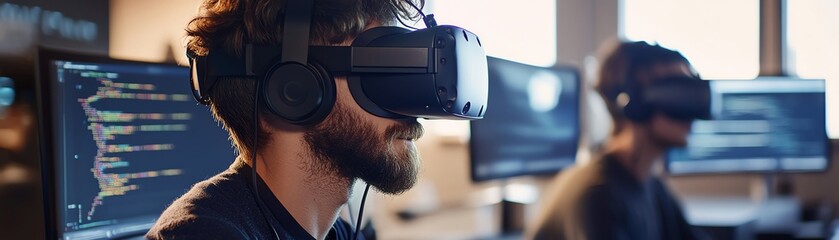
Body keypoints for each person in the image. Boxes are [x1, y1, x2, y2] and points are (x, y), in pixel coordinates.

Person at [146, 0, 426, 239]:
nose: (409, 110)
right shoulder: (201, 233)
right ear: (294, 91)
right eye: (379, 71)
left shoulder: (336, 231)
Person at [527, 41, 709, 240]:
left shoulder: (650, 184)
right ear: (636, 103)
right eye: (678, 96)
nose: (692, 113)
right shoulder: (598, 196)